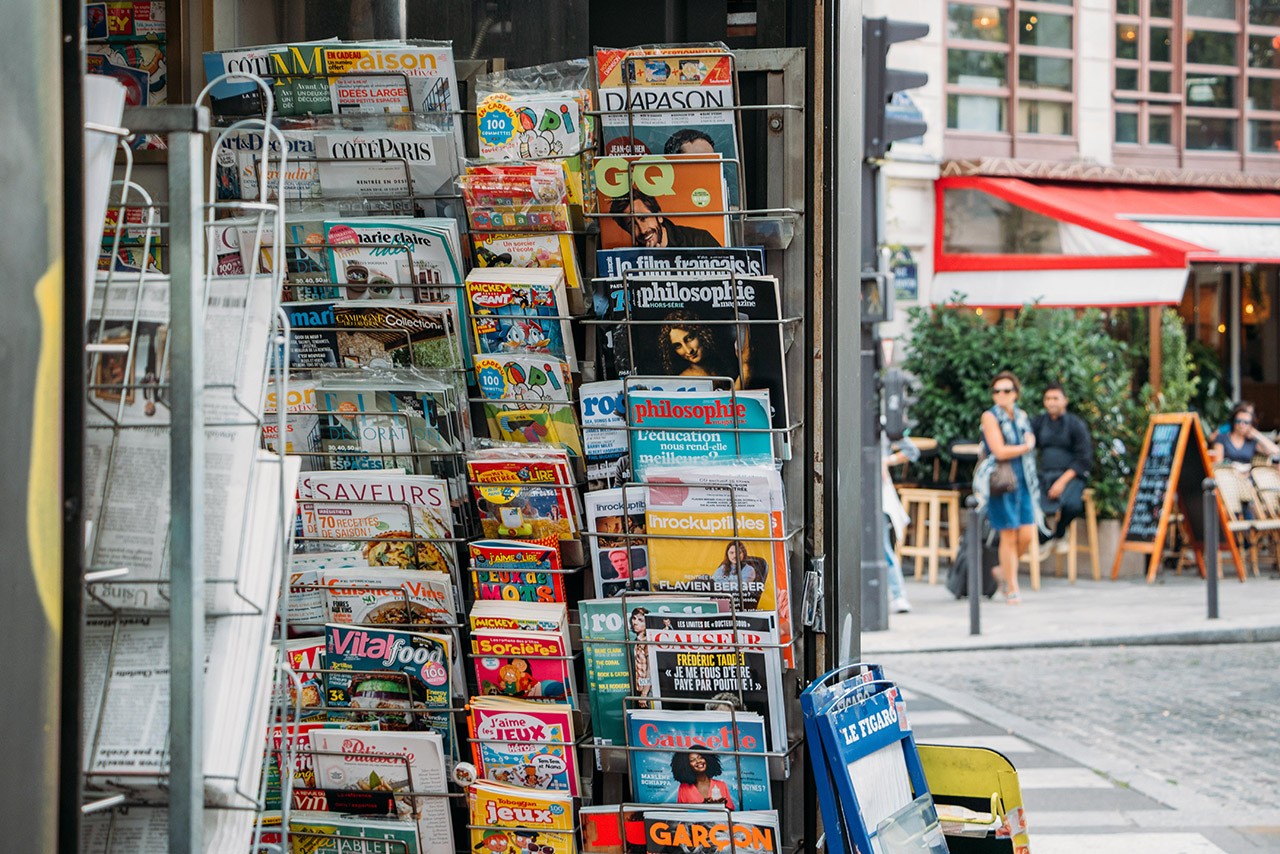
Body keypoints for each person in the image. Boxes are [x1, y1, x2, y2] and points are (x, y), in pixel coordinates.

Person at [974, 371, 1043, 605]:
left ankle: (1003, 571)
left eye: (1006, 390)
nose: (1001, 395)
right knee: (1008, 534)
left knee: (1026, 534)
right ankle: (1012, 587)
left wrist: (1026, 447)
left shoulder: (1021, 416)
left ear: (1015, 393)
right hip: (1002, 481)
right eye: (997, 391)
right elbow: (1000, 451)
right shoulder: (989, 417)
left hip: (1023, 480)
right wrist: (1025, 447)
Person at [1031, 382, 1093, 558]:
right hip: (1044, 475)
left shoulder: (1076, 425)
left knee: (1072, 504)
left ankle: (1060, 532)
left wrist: (1062, 481)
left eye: (1056, 398)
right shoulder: (1039, 422)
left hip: (1070, 476)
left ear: (1065, 401)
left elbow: (1084, 458)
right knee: (1026, 499)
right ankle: (1045, 536)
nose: (1052, 402)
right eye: (1048, 398)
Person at [658, 310, 749, 387]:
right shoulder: (687, 380)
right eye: (678, 346)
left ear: (701, 333)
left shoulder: (720, 363)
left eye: (689, 338)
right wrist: (746, 367)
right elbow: (725, 403)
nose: (688, 350)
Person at [609, 190, 722, 248]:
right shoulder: (632, 259)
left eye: (643, 218)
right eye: (632, 225)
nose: (643, 230)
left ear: (659, 216)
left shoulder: (700, 240)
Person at [882, 443, 913, 614]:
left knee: (883, 547)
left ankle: (898, 594)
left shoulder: (883, 424)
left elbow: (911, 450)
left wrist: (885, 461)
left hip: (879, 494)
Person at [1211, 402, 1279, 465]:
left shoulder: (1252, 441)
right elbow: (1218, 463)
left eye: (1246, 422)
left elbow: (1276, 451)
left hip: (1246, 476)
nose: (1241, 424)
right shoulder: (1222, 438)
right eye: (1238, 421)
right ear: (1233, 422)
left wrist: (1256, 434)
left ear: (1250, 424)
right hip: (1227, 475)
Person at [671, 751, 736, 809]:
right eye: (692, 760)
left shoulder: (721, 785)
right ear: (687, 766)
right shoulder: (684, 788)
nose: (698, 761)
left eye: (700, 757)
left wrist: (721, 805)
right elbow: (682, 813)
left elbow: (731, 811)